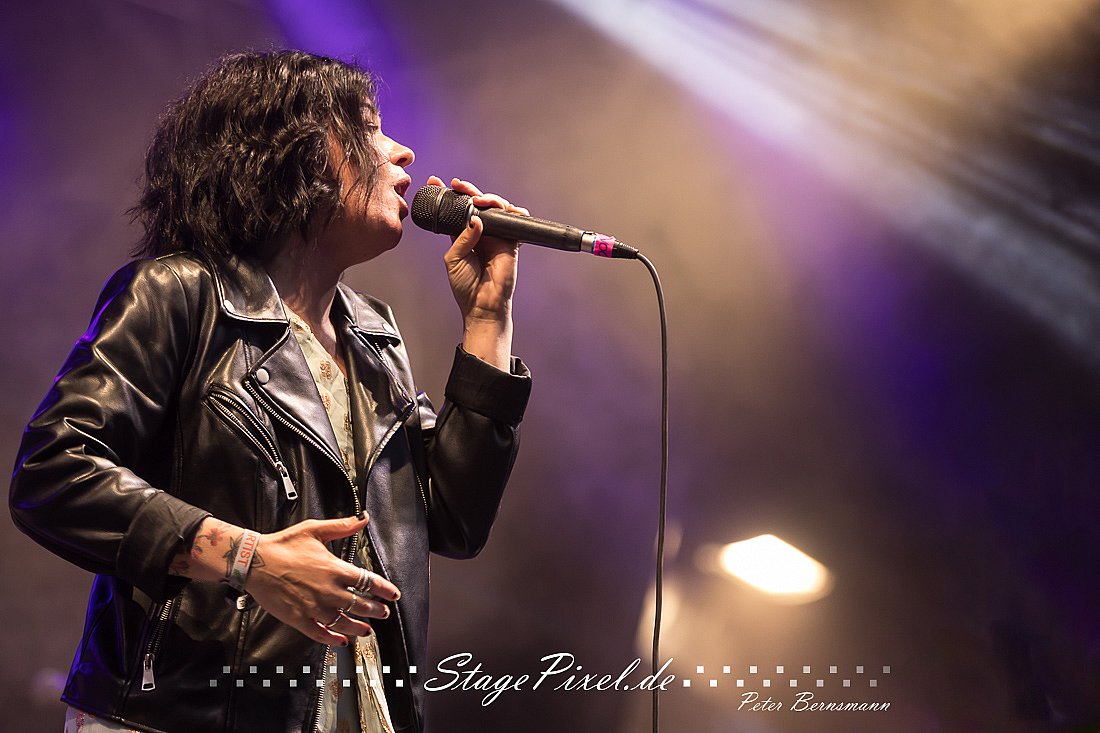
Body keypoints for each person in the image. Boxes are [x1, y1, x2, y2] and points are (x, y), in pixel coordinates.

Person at [9, 50, 532, 733]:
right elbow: (53, 472)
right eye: (369, 128)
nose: (402, 152)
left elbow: (452, 521)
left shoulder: (373, 335)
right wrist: (246, 558)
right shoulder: (178, 293)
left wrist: (488, 318)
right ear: (297, 155)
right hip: (182, 715)